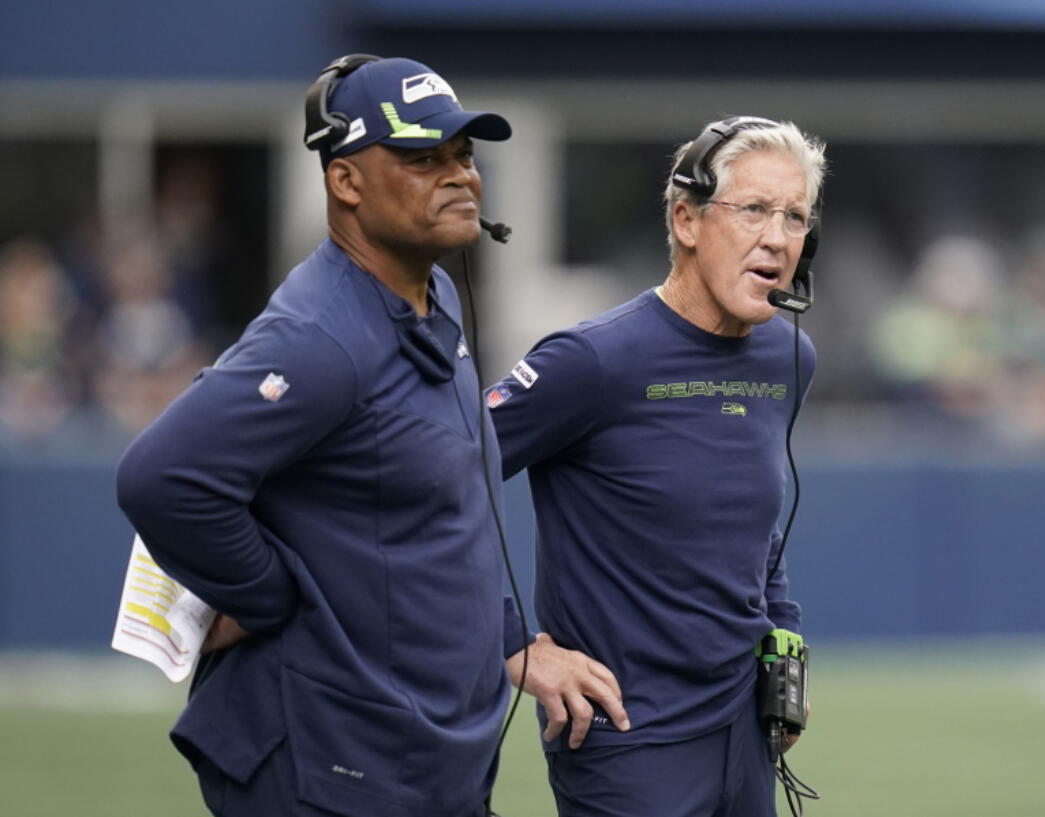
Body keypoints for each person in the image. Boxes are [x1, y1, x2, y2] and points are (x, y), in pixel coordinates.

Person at [116, 55, 526, 817]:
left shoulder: (431, 291)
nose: (461, 175)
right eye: (421, 157)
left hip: (416, 759)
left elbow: (447, 503)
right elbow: (161, 476)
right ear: (345, 180)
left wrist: (510, 639)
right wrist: (273, 595)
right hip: (336, 766)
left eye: (463, 153)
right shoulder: (322, 338)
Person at [491, 117, 825, 817]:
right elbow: (427, 486)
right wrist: (511, 645)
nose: (777, 237)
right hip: (627, 738)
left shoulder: (788, 358)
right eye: (755, 209)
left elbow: (756, 531)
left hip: (743, 732)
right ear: (687, 219)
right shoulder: (590, 362)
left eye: (795, 216)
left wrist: (783, 637)